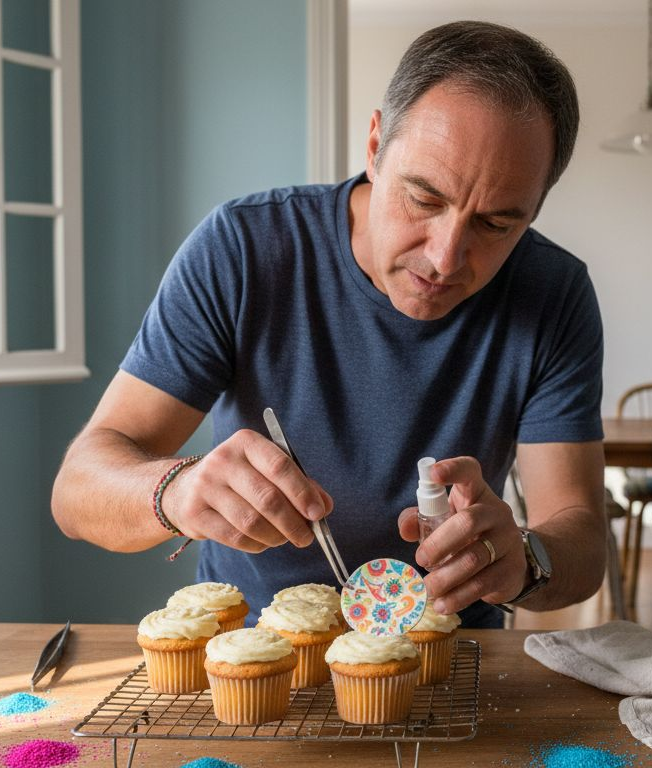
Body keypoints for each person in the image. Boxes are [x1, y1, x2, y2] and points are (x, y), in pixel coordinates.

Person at [51, 21, 606, 629]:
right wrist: (177, 492)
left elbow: (579, 542)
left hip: (452, 658)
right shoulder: (243, 250)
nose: (445, 258)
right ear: (374, 147)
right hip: (253, 650)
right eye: (423, 198)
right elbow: (77, 494)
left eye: (496, 225)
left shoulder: (554, 293)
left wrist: (526, 560)